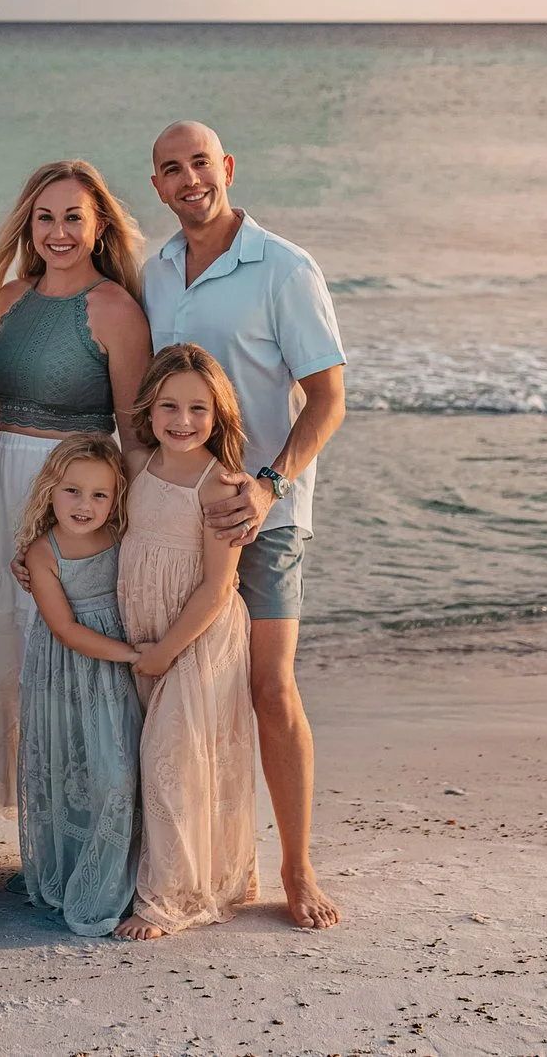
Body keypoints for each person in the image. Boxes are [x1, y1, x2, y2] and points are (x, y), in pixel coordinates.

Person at [143, 121, 348, 931]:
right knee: (178, 691)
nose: (189, 178)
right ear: (156, 185)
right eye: (171, 169)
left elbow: (328, 399)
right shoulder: (156, 271)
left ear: (226, 167)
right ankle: (185, 855)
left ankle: (297, 867)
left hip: (262, 515)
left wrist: (268, 485)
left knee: (269, 687)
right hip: (171, 516)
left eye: (200, 163)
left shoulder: (286, 269)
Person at [0, 159, 152, 810]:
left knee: (67, 648)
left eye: (73, 216)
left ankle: (88, 811)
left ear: (98, 223)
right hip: (11, 485)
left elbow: (132, 435)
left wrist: (136, 533)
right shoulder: (10, 297)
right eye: (45, 216)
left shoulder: (115, 308)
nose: (58, 231)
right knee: (17, 647)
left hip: (78, 500)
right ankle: (39, 822)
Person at [115, 343, 258, 940]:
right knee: (162, 757)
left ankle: (170, 899)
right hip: (142, 627)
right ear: (147, 411)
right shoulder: (137, 465)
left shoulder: (218, 484)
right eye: (169, 406)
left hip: (196, 636)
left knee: (171, 755)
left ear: (219, 415)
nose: (182, 421)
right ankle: (205, 871)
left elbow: (217, 588)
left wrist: (167, 651)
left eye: (198, 409)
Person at [12, 432, 144, 938]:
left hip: (115, 677)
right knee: (77, 773)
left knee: (119, 773)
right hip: (67, 672)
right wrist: (133, 654)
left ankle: (119, 883)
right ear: (50, 489)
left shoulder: (120, 536)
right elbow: (65, 630)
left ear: (115, 500)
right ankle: (74, 876)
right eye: (72, 491)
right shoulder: (43, 553)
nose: (84, 505)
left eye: (99, 495)